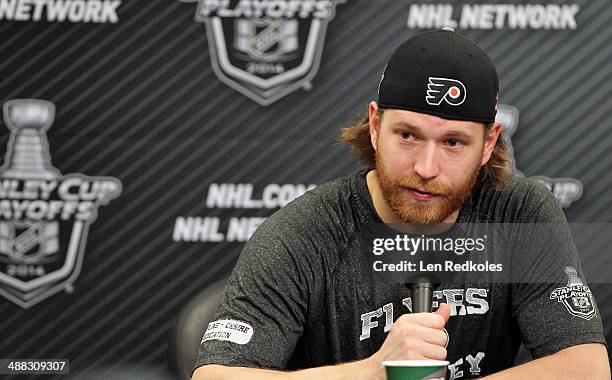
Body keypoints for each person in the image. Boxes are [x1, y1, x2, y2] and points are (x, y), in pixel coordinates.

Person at [192, 29, 609, 379]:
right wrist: (373, 372)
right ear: (375, 127)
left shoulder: (517, 214)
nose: (426, 168)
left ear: (488, 145)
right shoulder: (305, 233)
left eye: (453, 143)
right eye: (407, 135)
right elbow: (215, 376)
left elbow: (587, 367)